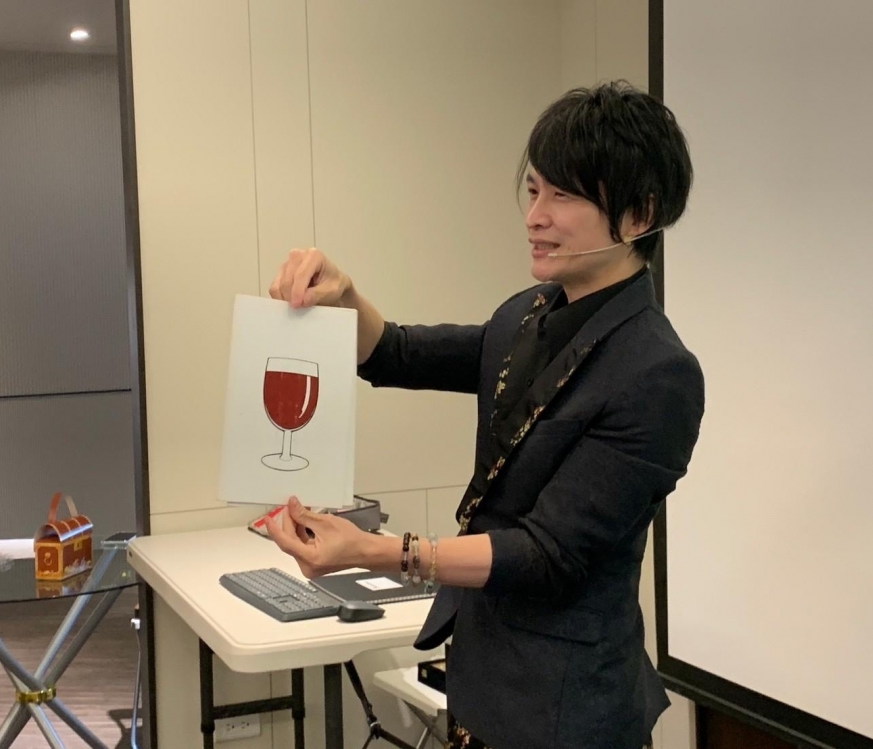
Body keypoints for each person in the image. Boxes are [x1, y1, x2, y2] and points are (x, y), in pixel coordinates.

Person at [265, 80, 704, 749]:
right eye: (533, 190)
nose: (535, 216)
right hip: (484, 680)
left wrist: (375, 551)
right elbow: (398, 352)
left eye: (563, 196)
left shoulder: (657, 372)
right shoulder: (528, 312)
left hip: (569, 710)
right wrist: (342, 294)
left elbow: (548, 554)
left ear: (640, 215)